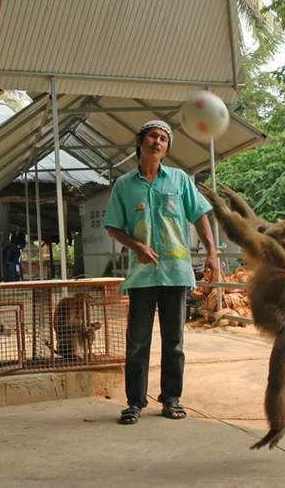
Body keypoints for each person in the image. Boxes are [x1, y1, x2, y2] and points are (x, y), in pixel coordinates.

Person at [103, 120, 218, 425]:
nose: (158, 142)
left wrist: (212, 252)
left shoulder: (179, 180)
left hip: (176, 273)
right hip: (142, 276)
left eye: (164, 139)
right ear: (140, 141)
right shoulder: (124, 185)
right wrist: (136, 246)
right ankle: (134, 403)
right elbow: (113, 226)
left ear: (167, 148)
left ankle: (171, 399)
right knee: (137, 342)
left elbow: (200, 215)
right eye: (153, 136)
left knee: (174, 342)